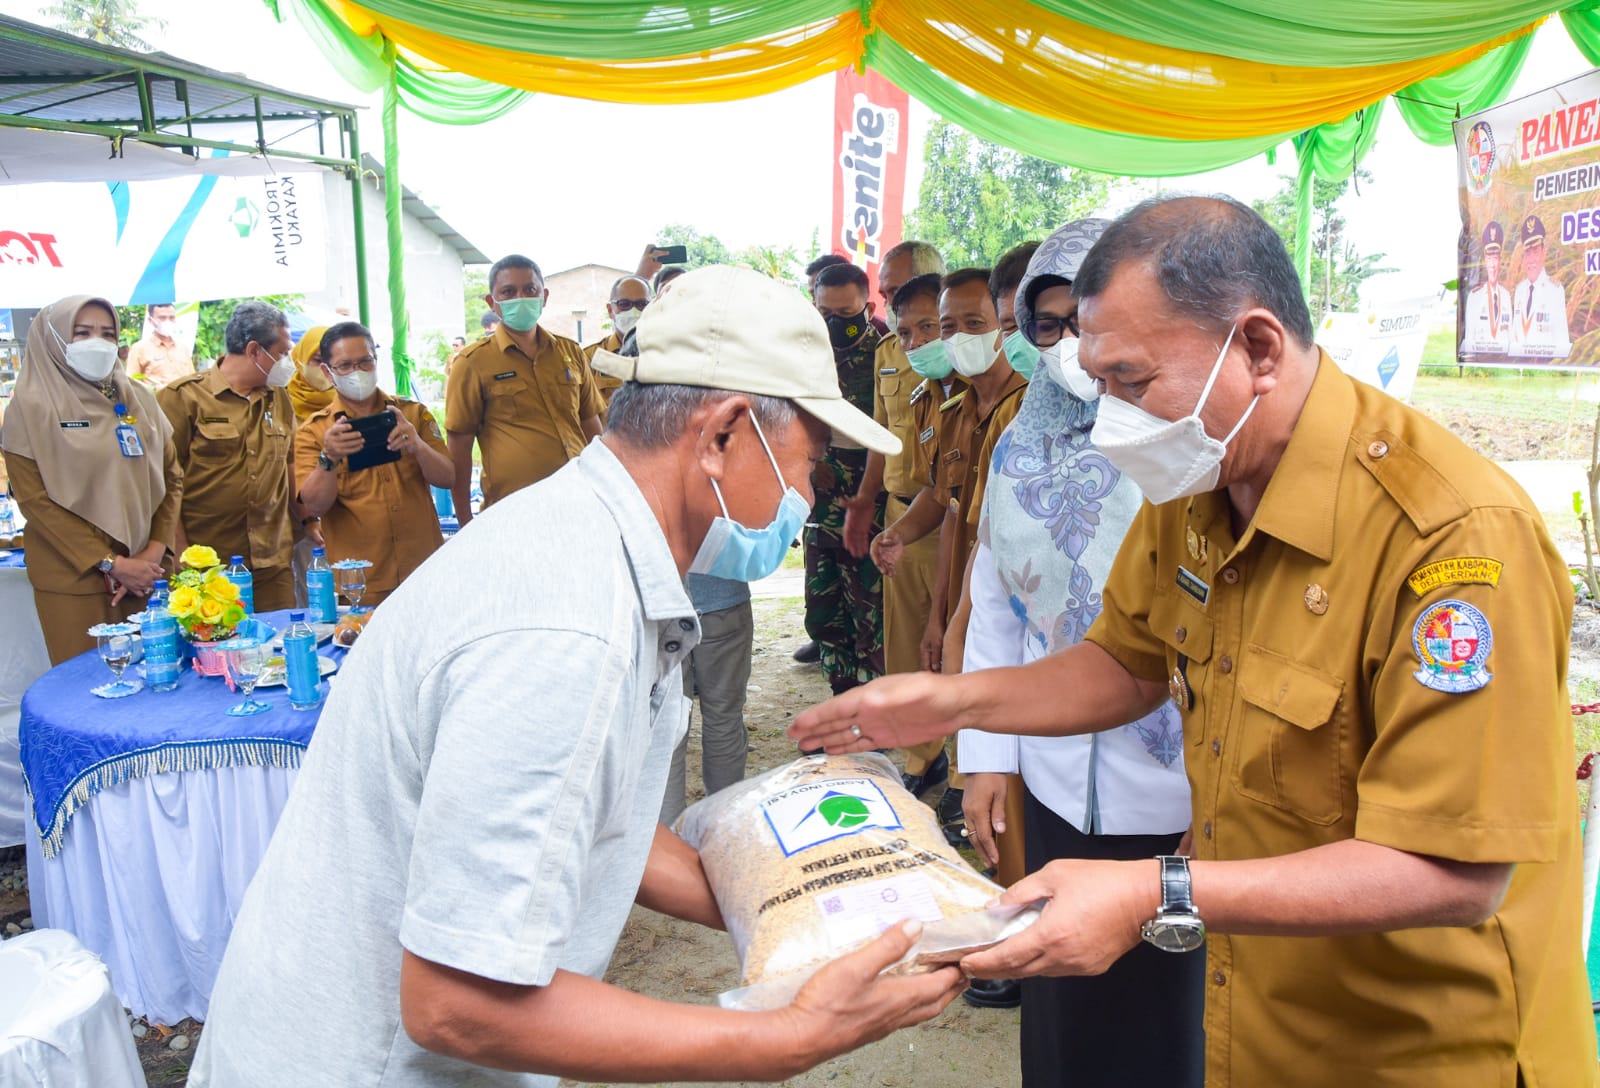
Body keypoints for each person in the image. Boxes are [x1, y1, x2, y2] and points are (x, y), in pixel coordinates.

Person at [792, 195, 1600, 1086]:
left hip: (1413, 1046)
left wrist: (1154, 889)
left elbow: (1456, 869)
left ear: (1255, 349)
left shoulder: (1451, 540)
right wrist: (955, 701)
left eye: (1133, 383)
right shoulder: (1201, 482)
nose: (1111, 421)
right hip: (1252, 1015)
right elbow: (1124, 663)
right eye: (1099, 385)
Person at [189, 265, 961, 1087]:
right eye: (807, 464)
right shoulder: (563, 627)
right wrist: (784, 1039)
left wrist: (816, 889)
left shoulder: (584, 540)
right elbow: (459, 1004)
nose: (807, 494)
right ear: (725, 433)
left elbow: (602, 822)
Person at [952, 220, 1204, 1073]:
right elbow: (993, 609)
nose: (1070, 349)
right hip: (1055, 779)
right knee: (1064, 1018)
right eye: (1049, 326)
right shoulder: (1020, 442)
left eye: (1086, 326)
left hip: (1183, 798)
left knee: (1174, 1025)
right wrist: (986, 756)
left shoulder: (1192, 441)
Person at [0, 296, 182, 664]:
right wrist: (111, 562)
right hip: (75, 580)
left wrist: (153, 550)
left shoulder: (140, 400)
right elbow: (36, 502)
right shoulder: (29, 408)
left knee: (161, 682)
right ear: (53, 339)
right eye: (82, 333)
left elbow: (172, 478)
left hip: (148, 574)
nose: (97, 343)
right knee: (91, 691)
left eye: (107, 333)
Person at [852, 243, 952, 798]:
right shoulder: (889, 350)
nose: (890, 305)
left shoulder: (967, 354)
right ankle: (922, 756)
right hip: (903, 513)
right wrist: (868, 503)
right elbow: (878, 433)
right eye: (887, 295)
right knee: (910, 646)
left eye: (898, 291)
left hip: (957, 519)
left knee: (956, 644)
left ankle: (964, 767)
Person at [293, 323, 453, 607]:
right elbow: (315, 505)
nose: (357, 371)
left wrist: (418, 446)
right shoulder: (314, 431)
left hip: (425, 571)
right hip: (362, 583)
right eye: (344, 365)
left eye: (365, 361)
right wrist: (328, 457)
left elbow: (448, 477)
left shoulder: (411, 414)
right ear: (328, 373)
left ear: (376, 361)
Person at [156, 300, 302, 612]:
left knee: (277, 651)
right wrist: (182, 557)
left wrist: (309, 518)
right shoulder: (183, 398)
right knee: (216, 657)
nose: (288, 362)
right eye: (282, 352)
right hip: (207, 567)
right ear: (253, 351)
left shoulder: (280, 399)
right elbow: (165, 485)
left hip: (271, 563)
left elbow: (290, 465)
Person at [445, 254, 604, 526]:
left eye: (530, 289)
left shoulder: (571, 353)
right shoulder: (472, 364)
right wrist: (465, 523)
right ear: (492, 302)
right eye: (508, 291)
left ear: (544, 296)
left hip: (579, 504)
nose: (521, 297)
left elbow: (593, 428)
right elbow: (459, 451)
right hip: (514, 514)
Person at [805, 261, 886, 695]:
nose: (835, 324)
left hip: (870, 500)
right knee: (823, 610)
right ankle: (841, 696)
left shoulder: (888, 354)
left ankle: (872, 714)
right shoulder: (803, 356)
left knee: (870, 613)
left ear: (868, 306)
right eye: (825, 313)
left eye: (847, 314)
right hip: (820, 497)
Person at [1508, 213, 1571, 357]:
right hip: (1521, 366)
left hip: (1544, 366)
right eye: (1527, 253)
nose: (1531, 259)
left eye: (1535, 252)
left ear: (1543, 252)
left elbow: (1561, 338)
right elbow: (1515, 334)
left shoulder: (1554, 290)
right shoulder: (1520, 290)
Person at [583, 275, 651, 404]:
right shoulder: (590, 358)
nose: (634, 311)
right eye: (624, 304)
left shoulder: (666, 353)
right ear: (610, 310)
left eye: (641, 304)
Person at [1460, 222, 1511, 356]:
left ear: (1500, 260)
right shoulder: (1475, 296)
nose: (1493, 265)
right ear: (1485, 261)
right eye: (1489, 259)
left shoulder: (1506, 296)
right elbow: (1470, 337)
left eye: (1496, 258)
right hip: (1481, 361)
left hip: (1503, 361)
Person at [125, 302, 194, 388]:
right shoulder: (139, 348)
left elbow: (192, 379)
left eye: (171, 318)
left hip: (183, 400)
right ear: (151, 320)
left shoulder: (183, 348)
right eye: (162, 318)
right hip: (155, 399)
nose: (168, 322)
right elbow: (131, 382)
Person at [285, 324, 336, 423]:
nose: (325, 368)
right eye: (318, 360)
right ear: (301, 357)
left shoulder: (350, 400)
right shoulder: (278, 397)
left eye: (332, 361)